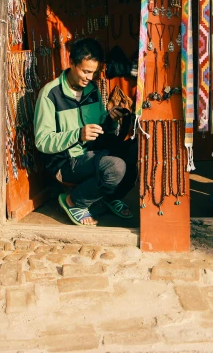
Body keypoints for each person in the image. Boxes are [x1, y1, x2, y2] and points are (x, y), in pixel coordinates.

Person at [34, 38, 137, 226]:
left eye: (94, 72)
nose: (89, 77)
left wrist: (110, 119)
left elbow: (100, 128)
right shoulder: (51, 94)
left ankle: (110, 196)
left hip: (93, 154)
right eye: (85, 71)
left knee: (135, 151)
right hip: (66, 162)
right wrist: (77, 134)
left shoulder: (92, 90)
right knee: (114, 167)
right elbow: (42, 141)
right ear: (71, 62)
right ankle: (74, 201)